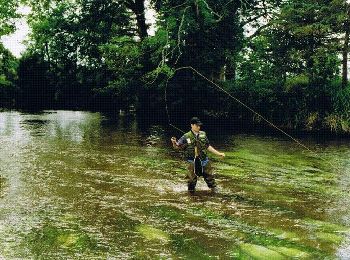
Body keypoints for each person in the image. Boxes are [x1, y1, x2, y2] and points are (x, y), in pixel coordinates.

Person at [171, 117, 225, 193]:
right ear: (192, 125)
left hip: (204, 160)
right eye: (197, 125)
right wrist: (174, 142)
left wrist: (219, 153)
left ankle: (215, 193)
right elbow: (177, 147)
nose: (198, 127)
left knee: (210, 179)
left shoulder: (203, 134)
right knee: (192, 182)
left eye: (199, 125)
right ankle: (191, 196)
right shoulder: (186, 136)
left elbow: (208, 146)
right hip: (192, 162)